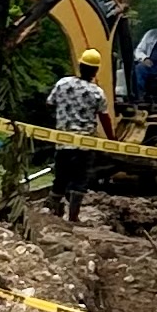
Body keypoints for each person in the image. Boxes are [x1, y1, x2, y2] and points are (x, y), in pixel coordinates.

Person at [49, 49, 114, 221]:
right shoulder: (97, 92)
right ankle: (73, 217)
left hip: (62, 142)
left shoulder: (63, 84)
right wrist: (112, 139)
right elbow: (104, 117)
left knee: (60, 178)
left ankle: (53, 213)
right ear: (96, 71)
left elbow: (50, 103)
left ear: (80, 65)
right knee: (80, 179)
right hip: (85, 145)